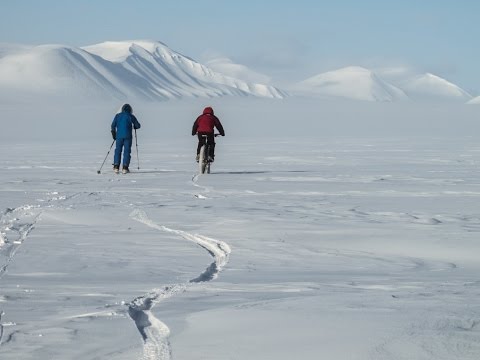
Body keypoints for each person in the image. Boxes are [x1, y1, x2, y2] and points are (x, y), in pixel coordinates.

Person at [111, 104, 141, 174]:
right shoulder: (131, 116)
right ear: (130, 110)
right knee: (127, 152)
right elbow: (138, 125)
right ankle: (125, 167)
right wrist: (135, 126)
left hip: (119, 137)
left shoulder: (117, 116)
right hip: (128, 137)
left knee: (118, 151)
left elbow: (113, 125)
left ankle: (116, 166)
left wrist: (113, 133)